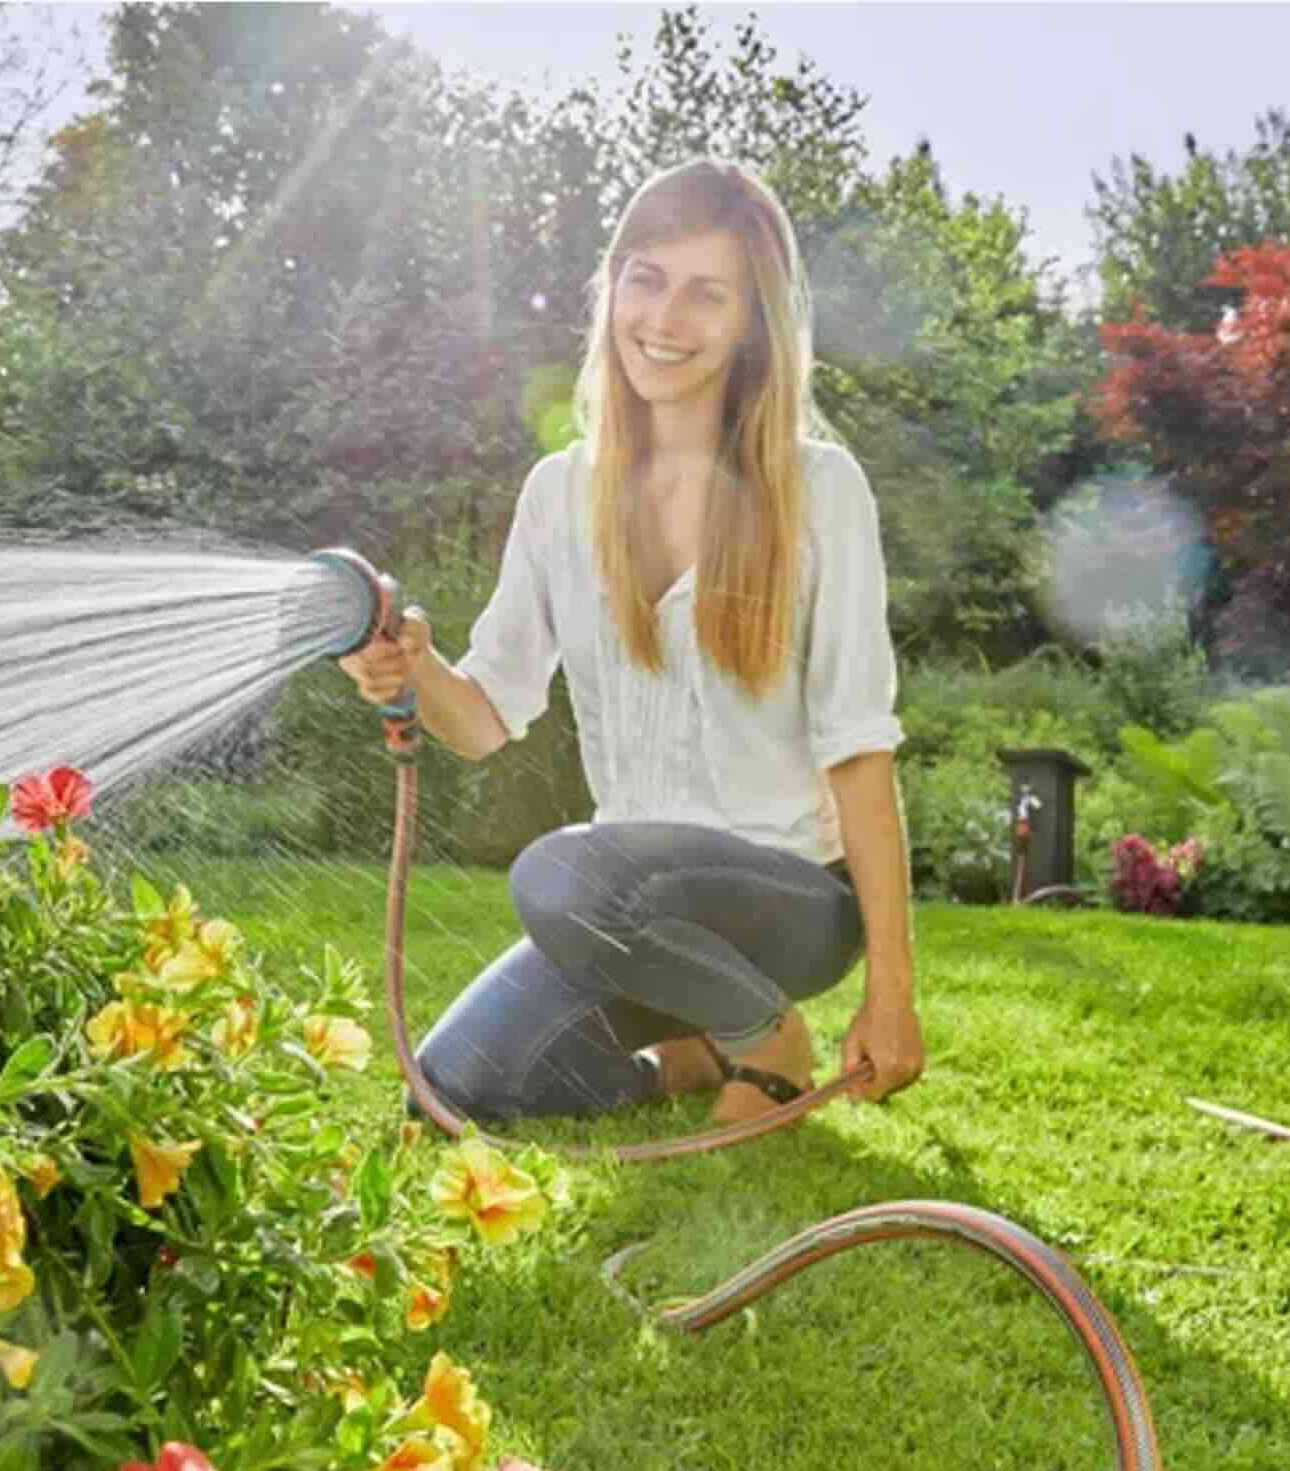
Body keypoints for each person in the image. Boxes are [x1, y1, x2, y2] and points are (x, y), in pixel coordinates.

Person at [340, 157, 925, 1130]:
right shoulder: (561, 493)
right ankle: (688, 1059)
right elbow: (484, 716)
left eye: (708, 294)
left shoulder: (818, 491)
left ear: (753, 323)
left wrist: (892, 993)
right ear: (610, 289)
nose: (664, 318)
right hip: (622, 912)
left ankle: (760, 1031)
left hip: (784, 901)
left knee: (560, 876)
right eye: (644, 279)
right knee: (448, 1092)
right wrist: (410, 669)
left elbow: (859, 752)